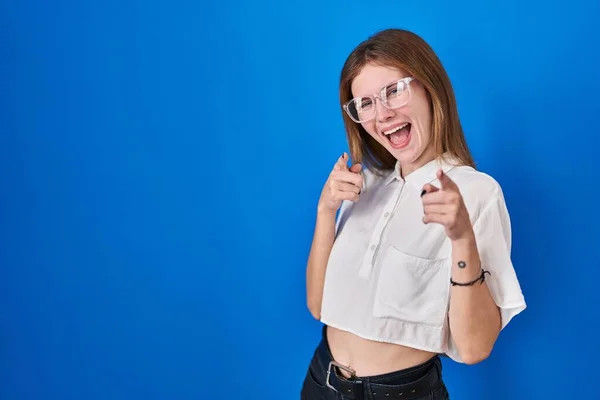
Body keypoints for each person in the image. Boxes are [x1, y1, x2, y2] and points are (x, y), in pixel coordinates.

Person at [301, 28, 526, 400]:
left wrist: (462, 237)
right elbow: (318, 305)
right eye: (366, 103)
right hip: (320, 381)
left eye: (393, 90)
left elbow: (474, 349)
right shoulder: (365, 186)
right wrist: (326, 211)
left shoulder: (477, 193)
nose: (383, 113)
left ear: (429, 87)